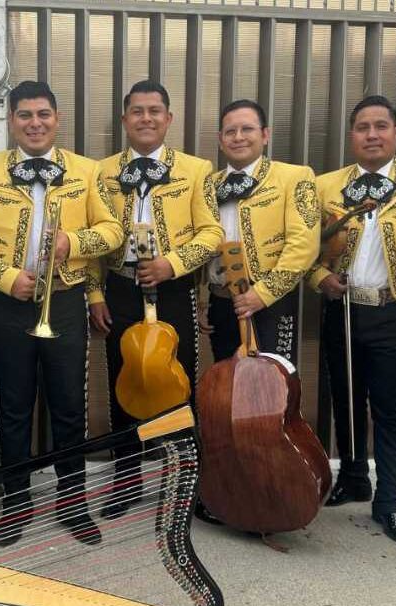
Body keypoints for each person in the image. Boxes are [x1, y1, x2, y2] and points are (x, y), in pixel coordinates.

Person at [0, 80, 124, 547]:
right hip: (11, 302)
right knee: (14, 407)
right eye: (25, 115)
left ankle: (73, 503)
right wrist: (5, 278)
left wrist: (74, 242)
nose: (34, 123)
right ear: (11, 120)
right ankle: (16, 502)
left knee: (69, 407)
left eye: (43, 114)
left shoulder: (87, 172)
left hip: (66, 300)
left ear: (57, 118)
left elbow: (113, 229)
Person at [310, 95, 396, 543]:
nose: (372, 135)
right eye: (363, 127)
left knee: (390, 409)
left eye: (381, 126)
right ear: (351, 136)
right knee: (345, 400)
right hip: (343, 308)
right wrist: (319, 277)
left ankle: (389, 500)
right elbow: (302, 247)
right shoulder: (324, 185)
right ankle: (353, 477)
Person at [89, 79, 221, 520]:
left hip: (174, 288)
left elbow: (212, 233)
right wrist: (94, 293)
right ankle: (125, 482)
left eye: (154, 111)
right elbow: (90, 234)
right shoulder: (101, 172)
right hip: (120, 287)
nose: (146, 118)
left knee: (177, 384)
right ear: (124, 119)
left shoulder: (197, 169)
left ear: (169, 119)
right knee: (125, 383)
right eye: (137, 111)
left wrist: (172, 263)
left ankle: (185, 485)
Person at [201, 99, 319, 364]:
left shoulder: (295, 177)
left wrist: (262, 294)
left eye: (247, 129)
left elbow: (304, 245)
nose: (238, 137)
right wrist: (200, 299)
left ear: (265, 135)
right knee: (227, 390)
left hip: (272, 302)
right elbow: (198, 241)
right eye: (230, 132)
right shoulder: (208, 184)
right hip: (221, 302)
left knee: (275, 392)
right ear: (221, 140)